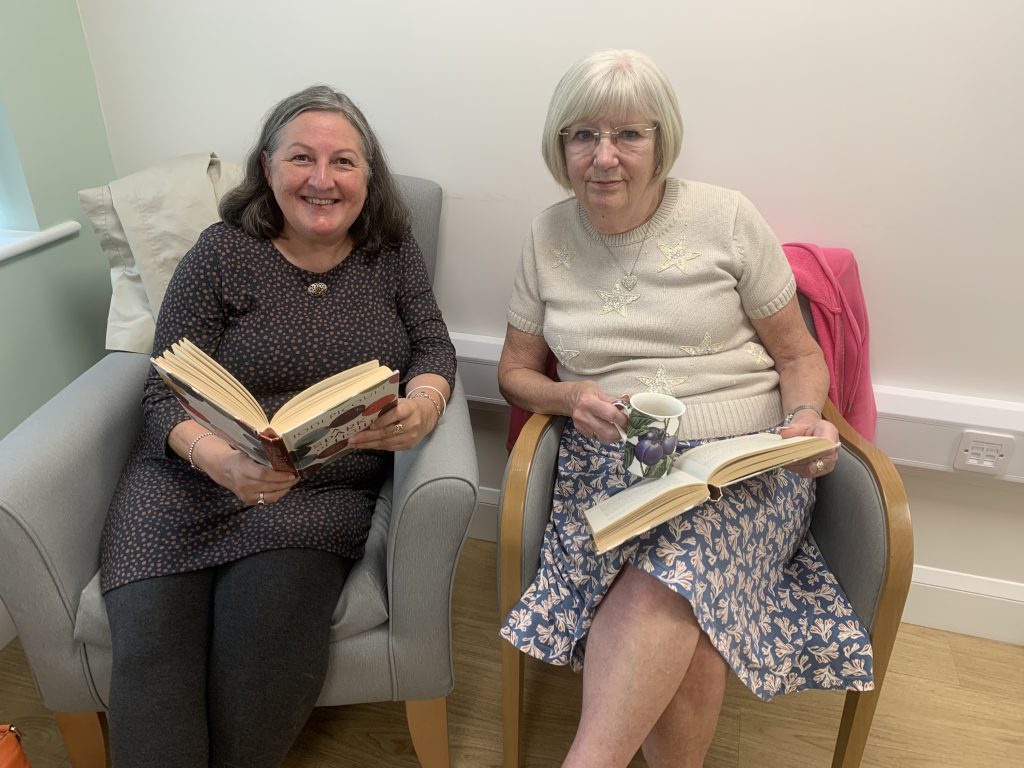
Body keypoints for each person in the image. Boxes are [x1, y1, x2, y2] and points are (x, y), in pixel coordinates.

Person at [498, 50, 872, 768]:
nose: (604, 157)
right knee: (694, 631)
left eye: (628, 135)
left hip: (744, 465)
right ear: (560, 146)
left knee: (682, 569)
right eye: (583, 135)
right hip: (616, 464)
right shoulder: (546, 237)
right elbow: (515, 373)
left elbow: (798, 355)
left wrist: (800, 422)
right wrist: (568, 394)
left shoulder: (727, 218)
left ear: (661, 141)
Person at [100, 85, 456, 767]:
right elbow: (162, 388)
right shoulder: (221, 252)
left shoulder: (392, 252)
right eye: (301, 158)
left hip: (315, 501)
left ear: (368, 176)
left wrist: (425, 404)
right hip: (182, 489)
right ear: (267, 168)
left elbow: (433, 346)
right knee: (151, 658)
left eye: (344, 162)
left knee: (263, 648)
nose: (322, 180)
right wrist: (220, 461)